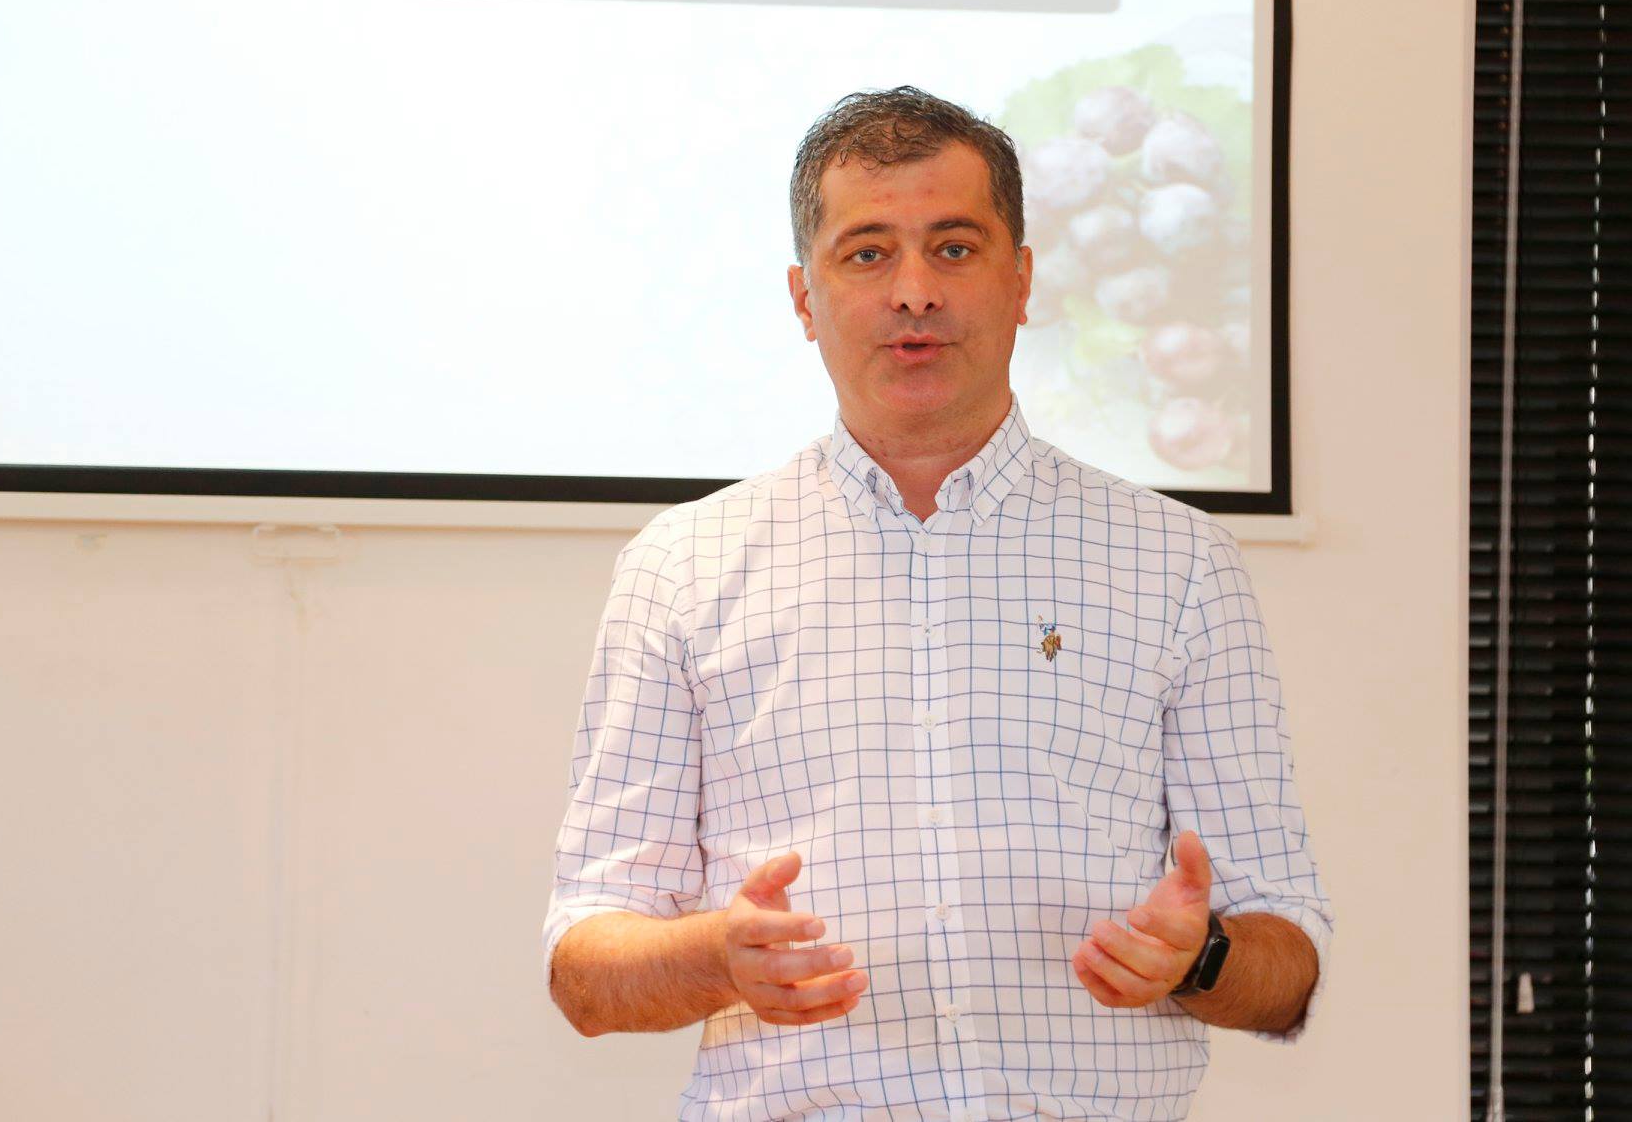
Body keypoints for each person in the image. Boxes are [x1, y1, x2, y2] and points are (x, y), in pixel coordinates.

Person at [541, 86, 1331, 1120]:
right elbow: (584, 969)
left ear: (1021, 279)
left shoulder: (1179, 561)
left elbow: (1286, 963)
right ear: (804, 298)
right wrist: (714, 955)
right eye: (867, 253)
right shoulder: (681, 565)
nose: (913, 292)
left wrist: (1203, 954)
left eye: (953, 248)